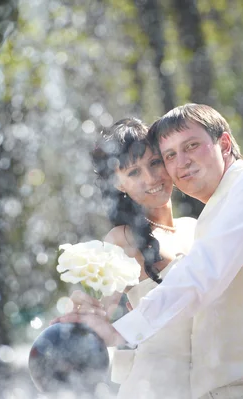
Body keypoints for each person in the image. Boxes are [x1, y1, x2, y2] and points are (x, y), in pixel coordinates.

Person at [55, 104, 243, 399]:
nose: (179, 163)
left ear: (224, 143)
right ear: (118, 183)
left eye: (191, 146)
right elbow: (105, 310)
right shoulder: (126, 238)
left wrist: (123, 329)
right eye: (170, 155)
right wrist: (88, 315)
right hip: (165, 384)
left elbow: (205, 272)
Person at [87, 117, 197, 398]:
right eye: (133, 172)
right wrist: (81, 314)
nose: (151, 178)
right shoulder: (122, 240)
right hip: (156, 385)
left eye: (155, 163)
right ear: (119, 184)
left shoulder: (196, 227)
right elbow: (99, 312)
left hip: (209, 380)